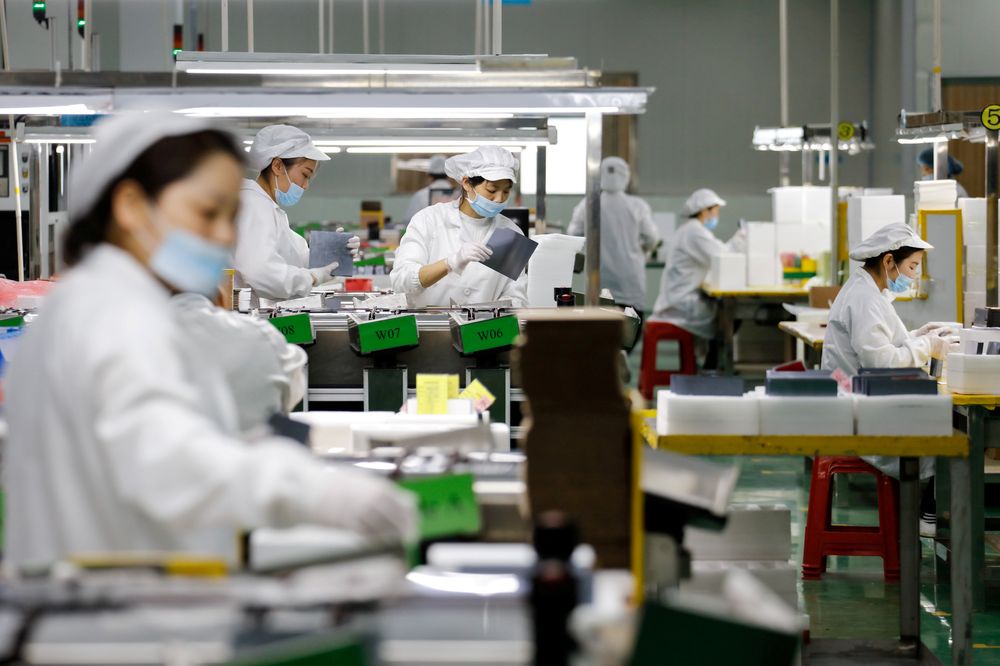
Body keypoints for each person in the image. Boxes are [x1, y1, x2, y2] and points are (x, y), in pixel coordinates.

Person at [3, 112, 415, 571]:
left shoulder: (116, 304)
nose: (224, 236)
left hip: (125, 588)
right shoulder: (113, 316)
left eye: (231, 218)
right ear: (131, 206)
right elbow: (170, 461)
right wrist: (313, 490)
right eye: (207, 213)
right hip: (116, 609)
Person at [821, 222, 959, 535]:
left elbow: (882, 344)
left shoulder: (869, 290)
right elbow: (880, 361)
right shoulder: (865, 298)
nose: (913, 275)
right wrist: (927, 347)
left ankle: (929, 511)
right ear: (888, 261)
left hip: (860, 397)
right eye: (911, 266)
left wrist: (919, 335)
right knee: (949, 437)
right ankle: (929, 515)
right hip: (859, 410)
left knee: (943, 427)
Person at [233, 124, 360, 301]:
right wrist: (312, 277)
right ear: (277, 166)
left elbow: (295, 258)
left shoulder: (271, 210)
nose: (306, 185)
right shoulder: (253, 205)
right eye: (305, 175)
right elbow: (261, 273)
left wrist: (334, 251)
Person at [390, 146, 528, 307]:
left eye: (506, 192)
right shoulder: (429, 220)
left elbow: (517, 298)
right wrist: (449, 263)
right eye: (492, 189)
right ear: (467, 183)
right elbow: (401, 280)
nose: (499, 199)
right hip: (430, 327)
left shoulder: (510, 233)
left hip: (484, 329)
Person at [650, 188, 742, 367]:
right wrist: (740, 239)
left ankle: (711, 363)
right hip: (681, 304)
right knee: (731, 318)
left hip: (678, 299)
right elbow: (720, 256)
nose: (717, 215)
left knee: (726, 317)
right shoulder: (694, 232)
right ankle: (714, 366)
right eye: (715, 211)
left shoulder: (690, 230)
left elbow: (716, 252)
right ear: (704, 211)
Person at [567, 157, 660, 320]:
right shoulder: (637, 206)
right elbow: (652, 238)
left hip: (599, 280)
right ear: (626, 176)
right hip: (631, 280)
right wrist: (641, 251)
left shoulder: (588, 204)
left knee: (602, 335)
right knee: (630, 331)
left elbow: (573, 235)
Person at [400, 155, 459, 227]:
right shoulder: (458, 195)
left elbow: (408, 221)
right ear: (449, 176)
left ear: (429, 176)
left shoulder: (420, 196)